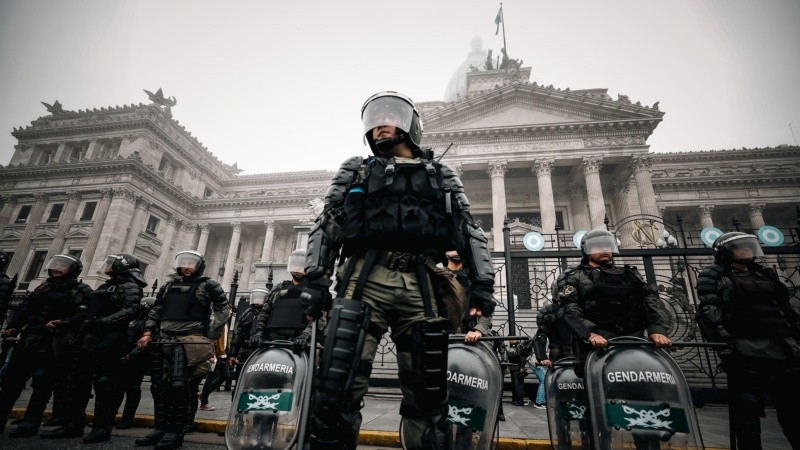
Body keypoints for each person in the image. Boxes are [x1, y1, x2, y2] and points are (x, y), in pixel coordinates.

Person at [300, 91, 496, 449]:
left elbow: (468, 229)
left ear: (409, 126)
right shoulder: (357, 170)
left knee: (428, 392)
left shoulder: (440, 175)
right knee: (337, 384)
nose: (379, 126)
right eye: (374, 120)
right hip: (364, 279)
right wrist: (316, 281)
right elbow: (327, 225)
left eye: (389, 118)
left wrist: (482, 286)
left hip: (421, 284)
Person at [696, 232, 800, 449]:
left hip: (784, 349)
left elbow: (786, 309)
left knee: (793, 410)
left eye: (749, 246)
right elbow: (709, 314)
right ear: (725, 253)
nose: (747, 250)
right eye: (740, 247)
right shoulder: (714, 276)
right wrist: (724, 346)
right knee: (747, 415)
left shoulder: (765, 274)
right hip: (747, 351)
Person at [41, 252, 146, 443]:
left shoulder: (130, 286)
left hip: (110, 340)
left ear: (122, 265)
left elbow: (131, 310)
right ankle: (73, 425)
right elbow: (90, 313)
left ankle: (101, 429)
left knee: (104, 385)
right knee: (78, 382)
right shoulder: (106, 286)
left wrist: (102, 322)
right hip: (89, 339)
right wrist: (69, 323)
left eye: (111, 263)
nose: (107, 265)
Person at [135, 250, 230, 450]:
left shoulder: (208, 284)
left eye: (191, 263)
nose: (186, 267)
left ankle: (175, 432)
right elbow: (157, 309)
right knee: (158, 387)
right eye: (183, 263)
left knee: (179, 386)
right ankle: (160, 428)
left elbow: (223, 308)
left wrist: (212, 335)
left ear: (199, 266)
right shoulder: (169, 286)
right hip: (164, 340)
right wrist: (148, 332)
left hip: (188, 340)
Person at [0, 254, 92, 437]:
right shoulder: (43, 287)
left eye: (62, 266)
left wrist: (63, 322)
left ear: (72, 270)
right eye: (55, 264)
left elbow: (84, 315)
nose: (57, 268)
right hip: (30, 338)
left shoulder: (81, 290)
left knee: (42, 383)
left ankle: (29, 423)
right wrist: (13, 327)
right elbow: (25, 309)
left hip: (54, 342)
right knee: (12, 380)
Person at [556, 229, 672, 371]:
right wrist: (588, 334)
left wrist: (657, 329)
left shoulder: (629, 274)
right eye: (598, 246)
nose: (605, 249)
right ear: (587, 250)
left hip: (634, 339)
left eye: (608, 245)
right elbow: (569, 308)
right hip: (597, 342)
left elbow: (650, 301)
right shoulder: (576, 276)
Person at [250, 249, 326, 353]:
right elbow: (264, 313)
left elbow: (319, 319)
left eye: (301, 266)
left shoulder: (314, 291)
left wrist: (305, 335)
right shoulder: (278, 289)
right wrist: (259, 332)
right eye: (295, 266)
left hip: (299, 344)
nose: (297, 269)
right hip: (272, 342)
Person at [115, 296, 156, 429]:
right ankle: (110, 416)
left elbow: (144, 344)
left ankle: (127, 419)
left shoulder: (148, 325)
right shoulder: (134, 321)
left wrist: (131, 355)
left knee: (132, 389)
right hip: (124, 357)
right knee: (117, 388)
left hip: (138, 360)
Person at [530, 302, 573, 409]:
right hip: (559, 353)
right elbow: (539, 337)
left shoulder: (574, 307)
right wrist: (542, 357)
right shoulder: (551, 313)